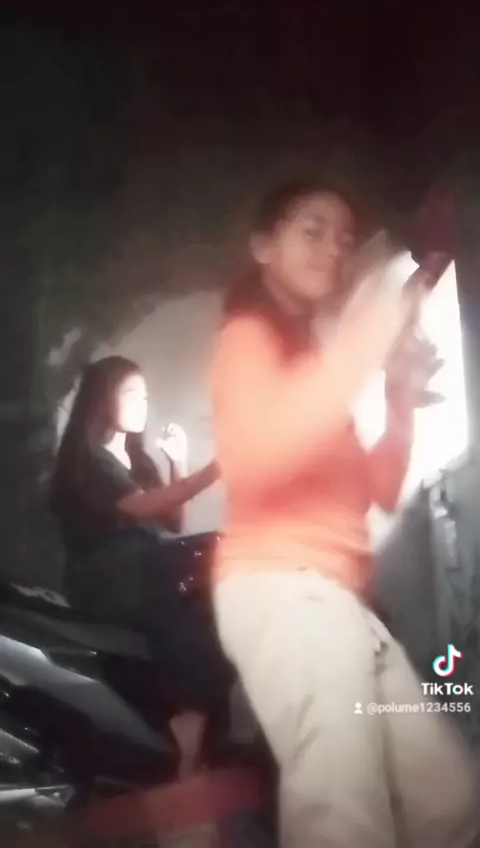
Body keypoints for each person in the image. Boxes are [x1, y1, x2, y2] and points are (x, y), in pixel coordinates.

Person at [209, 180, 478, 848]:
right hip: (284, 591)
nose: (335, 247)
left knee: (449, 803)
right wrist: (374, 328)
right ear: (262, 246)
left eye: (345, 237)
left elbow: (378, 489)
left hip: (341, 605)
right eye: (313, 229)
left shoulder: (312, 366)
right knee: (344, 817)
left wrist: (399, 397)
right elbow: (261, 460)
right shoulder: (246, 339)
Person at [49, 355, 232, 728]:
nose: (142, 405)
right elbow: (143, 506)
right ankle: (190, 711)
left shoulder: (139, 459)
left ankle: (201, 716)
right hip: (107, 579)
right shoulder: (88, 463)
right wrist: (215, 469)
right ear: (102, 400)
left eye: (145, 397)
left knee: (214, 569)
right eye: (131, 394)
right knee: (194, 557)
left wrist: (177, 462)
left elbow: (173, 520)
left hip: (149, 569)